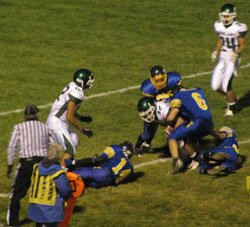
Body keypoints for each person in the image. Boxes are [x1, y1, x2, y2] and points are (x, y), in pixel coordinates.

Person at [6, 104, 57, 226]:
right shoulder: (45, 127)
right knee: (42, 194)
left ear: (25, 116)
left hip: (26, 164)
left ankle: (13, 223)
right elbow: (54, 145)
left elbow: (12, 147)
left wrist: (10, 165)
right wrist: (53, 163)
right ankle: (42, 222)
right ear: (36, 115)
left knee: (16, 194)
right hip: (42, 165)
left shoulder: (18, 127)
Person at [46, 69, 95, 166]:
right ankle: (61, 174)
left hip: (59, 120)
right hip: (57, 121)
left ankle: (64, 165)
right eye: (89, 81)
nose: (90, 83)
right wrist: (83, 129)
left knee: (75, 141)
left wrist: (81, 118)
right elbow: (69, 116)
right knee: (70, 150)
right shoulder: (77, 93)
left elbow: (69, 110)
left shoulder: (73, 85)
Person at [166, 77, 214, 174]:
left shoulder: (177, 96)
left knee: (173, 137)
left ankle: (177, 162)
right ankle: (201, 159)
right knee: (193, 137)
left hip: (198, 122)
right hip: (209, 122)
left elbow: (173, 114)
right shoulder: (197, 91)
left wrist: (167, 121)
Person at [135, 96, 195, 169]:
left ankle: (191, 162)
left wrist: (174, 131)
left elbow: (180, 120)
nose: (147, 116)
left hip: (187, 114)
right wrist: (138, 144)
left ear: (153, 107)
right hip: (177, 118)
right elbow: (147, 134)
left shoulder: (163, 110)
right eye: (145, 115)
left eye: (148, 113)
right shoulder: (152, 116)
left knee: (176, 139)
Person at [210, 3, 248, 116]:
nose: (225, 18)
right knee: (215, 86)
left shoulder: (238, 27)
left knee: (227, 84)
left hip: (233, 58)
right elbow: (221, 39)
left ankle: (232, 107)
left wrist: (235, 54)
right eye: (223, 16)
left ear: (233, 15)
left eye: (227, 16)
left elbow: (243, 46)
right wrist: (216, 51)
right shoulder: (218, 25)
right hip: (222, 57)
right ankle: (232, 97)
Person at [28, 144, 73, 227]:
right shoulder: (57, 171)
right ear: (59, 156)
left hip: (36, 207)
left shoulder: (36, 167)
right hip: (51, 209)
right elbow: (65, 189)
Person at [65, 141, 134, 188]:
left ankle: (63, 175)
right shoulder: (130, 168)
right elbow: (116, 182)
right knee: (83, 183)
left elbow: (98, 160)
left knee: (70, 175)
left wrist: (76, 162)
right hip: (106, 182)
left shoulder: (116, 149)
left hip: (102, 172)